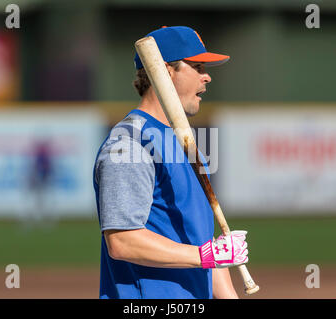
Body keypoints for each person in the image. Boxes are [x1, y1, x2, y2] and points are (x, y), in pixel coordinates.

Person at [93, 26, 250, 299]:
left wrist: (214, 260)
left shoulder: (186, 144)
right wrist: (205, 255)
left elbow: (204, 245)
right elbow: (122, 241)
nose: (207, 77)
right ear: (165, 71)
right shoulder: (130, 143)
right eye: (198, 67)